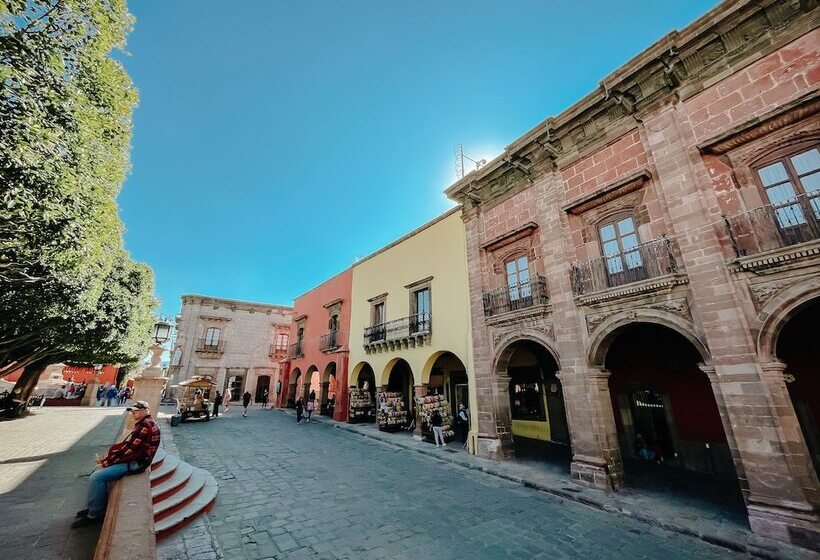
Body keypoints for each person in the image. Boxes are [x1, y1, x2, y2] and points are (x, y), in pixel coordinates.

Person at [72, 401, 160, 528]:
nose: (132, 413)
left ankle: (94, 515)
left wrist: (107, 461)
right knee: (96, 471)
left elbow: (129, 450)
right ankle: (94, 506)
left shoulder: (144, 427)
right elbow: (129, 448)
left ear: (144, 411)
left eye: (135, 411)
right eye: (132, 411)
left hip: (136, 464)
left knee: (96, 477)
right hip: (137, 460)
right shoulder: (149, 423)